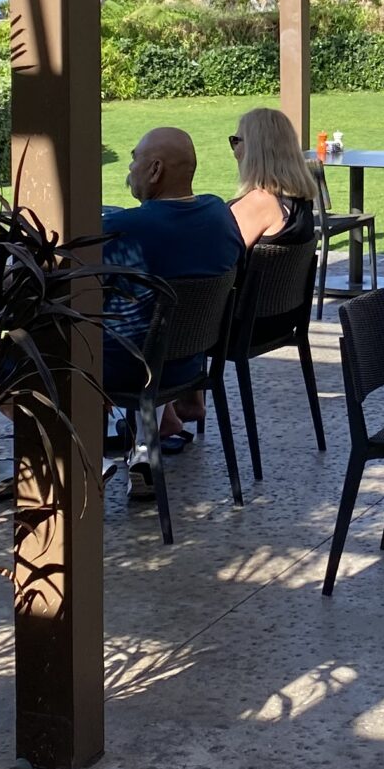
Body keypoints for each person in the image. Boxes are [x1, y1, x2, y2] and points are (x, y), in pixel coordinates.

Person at [101, 126, 244, 497]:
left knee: (2, 365)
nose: (129, 168)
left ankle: (79, 457)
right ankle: (144, 445)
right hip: (187, 365)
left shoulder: (123, 229)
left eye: (134, 159)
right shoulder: (219, 215)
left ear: (155, 170)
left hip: (127, 368)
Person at [226, 106, 318, 249]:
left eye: (236, 141)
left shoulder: (260, 202)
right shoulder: (302, 203)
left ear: (253, 150)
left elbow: (217, 257)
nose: (234, 150)